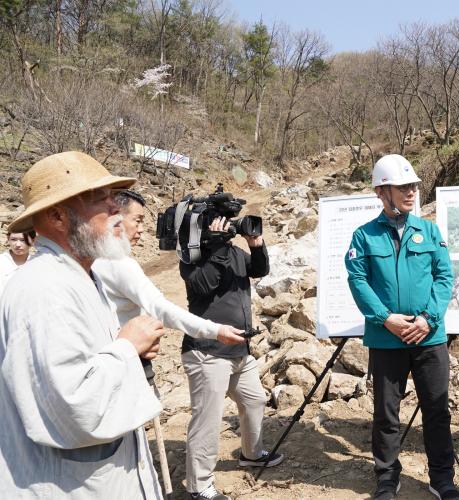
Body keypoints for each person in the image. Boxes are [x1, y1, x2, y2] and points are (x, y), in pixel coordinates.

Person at [0, 151, 166, 499]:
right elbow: (72, 403)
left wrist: (127, 351)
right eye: (99, 200)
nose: (116, 209)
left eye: (113, 198)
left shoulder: (77, 276)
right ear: (58, 216)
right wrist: (127, 348)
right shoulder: (44, 289)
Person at [345, 154, 459, 500]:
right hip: (386, 338)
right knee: (386, 414)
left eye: (413, 186)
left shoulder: (429, 230)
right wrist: (385, 318)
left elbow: (444, 277)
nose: (411, 192)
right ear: (382, 192)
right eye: (403, 187)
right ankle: (386, 478)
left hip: (429, 337)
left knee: (437, 411)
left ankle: (442, 480)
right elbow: (358, 281)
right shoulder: (364, 236)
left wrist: (428, 319)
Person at [179, 212, 282, 500]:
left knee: (254, 400)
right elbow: (203, 285)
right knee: (208, 420)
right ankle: (199, 487)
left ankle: (251, 453)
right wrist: (219, 247)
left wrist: (256, 243)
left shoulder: (235, 252)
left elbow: (259, 270)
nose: (227, 228)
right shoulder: (191, 256)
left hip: (239, 350)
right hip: (207, 352)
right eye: (221, 224)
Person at [92, 190, 247, 352]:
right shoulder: (119, 263)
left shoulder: (95, 260)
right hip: (126, 354)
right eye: (137, 221)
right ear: (115, 218)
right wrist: (216, 331)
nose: (142, 229)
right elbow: (159, 307)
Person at [0, 229, 35, 296]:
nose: (18, 244)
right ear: (8, 239)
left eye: (23, 240)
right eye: (13, 239)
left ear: (33, 240)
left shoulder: (37, 264)